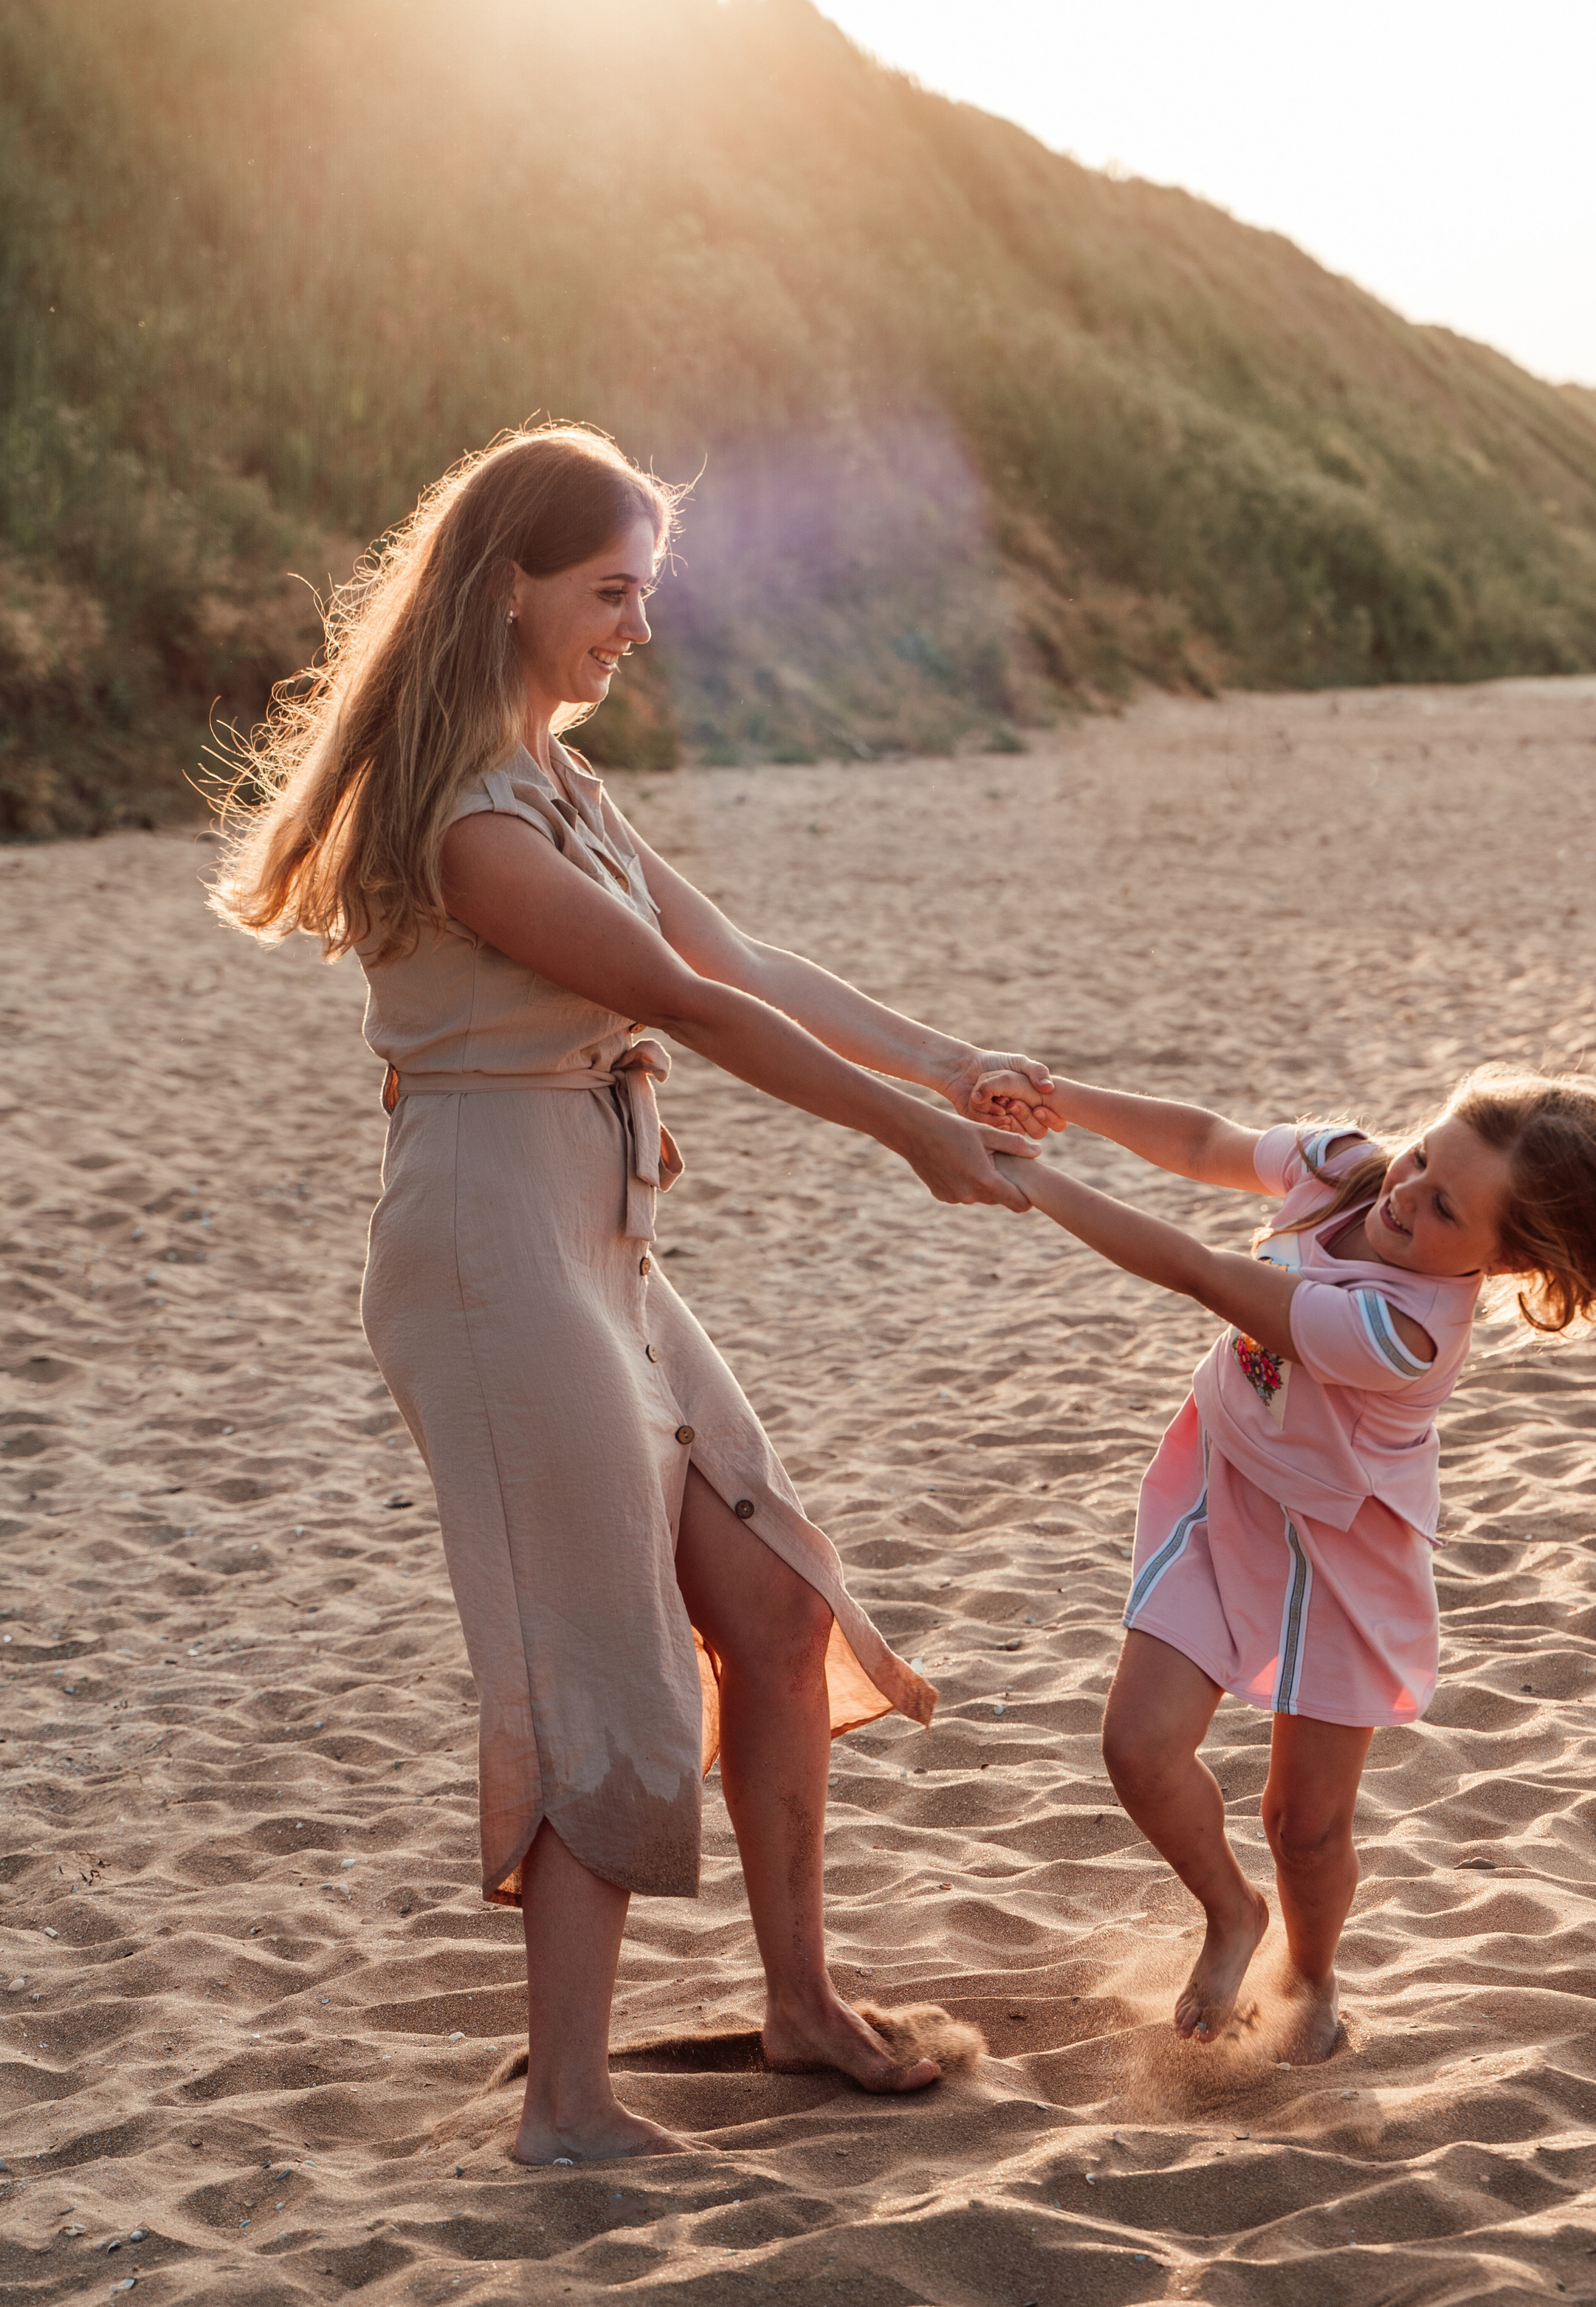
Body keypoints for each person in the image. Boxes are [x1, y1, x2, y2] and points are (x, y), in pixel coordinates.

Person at [212, 421, 1053, 2162]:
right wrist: (905, 1136)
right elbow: (697, 1009)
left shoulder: (561, 780)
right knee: (594, 1652)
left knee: (771, 1601)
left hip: (597, 1235)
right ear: (507, 586)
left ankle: (801, 2007)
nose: (635, 630)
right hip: (489, 1247)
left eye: (645, 594)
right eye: (611, 593)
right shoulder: (465, 825)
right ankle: (571, 2112)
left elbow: (738, 957)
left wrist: (951, 1064)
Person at [973, 1062, 1596, 2061]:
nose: (1405, 1195)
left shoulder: (1405, 1333)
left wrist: (1027, 1176)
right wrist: (1059, 1101)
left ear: (1505, 1258)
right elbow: (1206, 1143)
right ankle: (1230, 1913)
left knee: (1304, 1823)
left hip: (1345, 1559)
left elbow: (1202, 1272)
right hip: (1225, 1504)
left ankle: (1312, 1976)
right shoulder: (1349, 1168)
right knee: (1138, 1749)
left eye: (1442, 1208)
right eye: (1423, 1155)